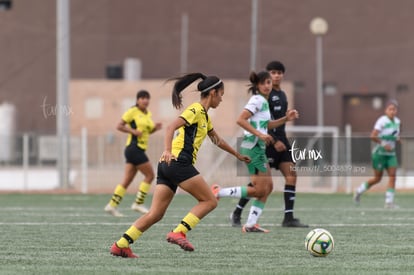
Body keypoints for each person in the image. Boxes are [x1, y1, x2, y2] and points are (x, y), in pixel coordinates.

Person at [110, 73, 251, 258]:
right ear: (213, 92)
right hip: (177, 162)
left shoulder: (205, 117)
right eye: (221, 94)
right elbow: (170, 127)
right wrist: (167, 150)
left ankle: (121, 245)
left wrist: (237, 154)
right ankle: (179, 232)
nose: (222, 99)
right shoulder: (195, 110)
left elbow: (217, 140)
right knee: (209, 201)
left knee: (155, 214)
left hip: (167, 165)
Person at [212, 71, 299, 233]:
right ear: (257, 86)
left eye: (269, 83)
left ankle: (251, 224)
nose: (267, 85)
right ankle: (219, 192)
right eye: (264, 83)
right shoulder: (257, 100)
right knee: (259, 189)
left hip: (258, 147)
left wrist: (286, 119)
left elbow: (267, 125)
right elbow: (240, 119)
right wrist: (259, 134)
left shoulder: (264, 102)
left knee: (268, 187)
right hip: (253, 147)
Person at [229, 61, 308, 228]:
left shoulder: (283, 94)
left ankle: (288, 218)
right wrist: (273, 139)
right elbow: (262, 123)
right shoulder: (263, 97)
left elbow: (272, 120)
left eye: (279, 72)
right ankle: (237, 211)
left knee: (292, 175)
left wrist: (287, 120)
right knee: (260, 184)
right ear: (265, 78)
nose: (276, 75)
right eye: (273, 72)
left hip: (282, 141)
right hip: (268, 142)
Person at [104, 90, 162, 217]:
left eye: (147, 98)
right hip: (134, 148)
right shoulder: (132, 111)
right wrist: (133, 131)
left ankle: (112, 205)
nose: (145, 100)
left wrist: (154, 128)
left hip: (138, 149)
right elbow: (119, 126)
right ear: (137, 100)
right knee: (150, 175)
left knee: (127, 179)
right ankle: (138, 203)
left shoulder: (147, 114)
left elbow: (146, 132)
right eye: (142, 98)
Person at [353, 99, 401, 208]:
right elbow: (373, 136)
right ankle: (359, 191)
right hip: (379, 154)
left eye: (394, 109)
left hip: (391, 154)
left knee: (393, 176)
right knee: (377, 178)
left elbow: (395, 135)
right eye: (390, 109)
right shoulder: (382, 121)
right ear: (386, 110)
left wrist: (397, 139)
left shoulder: (397, 121)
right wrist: (384, 144)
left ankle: (389, 202)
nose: (392, 111)